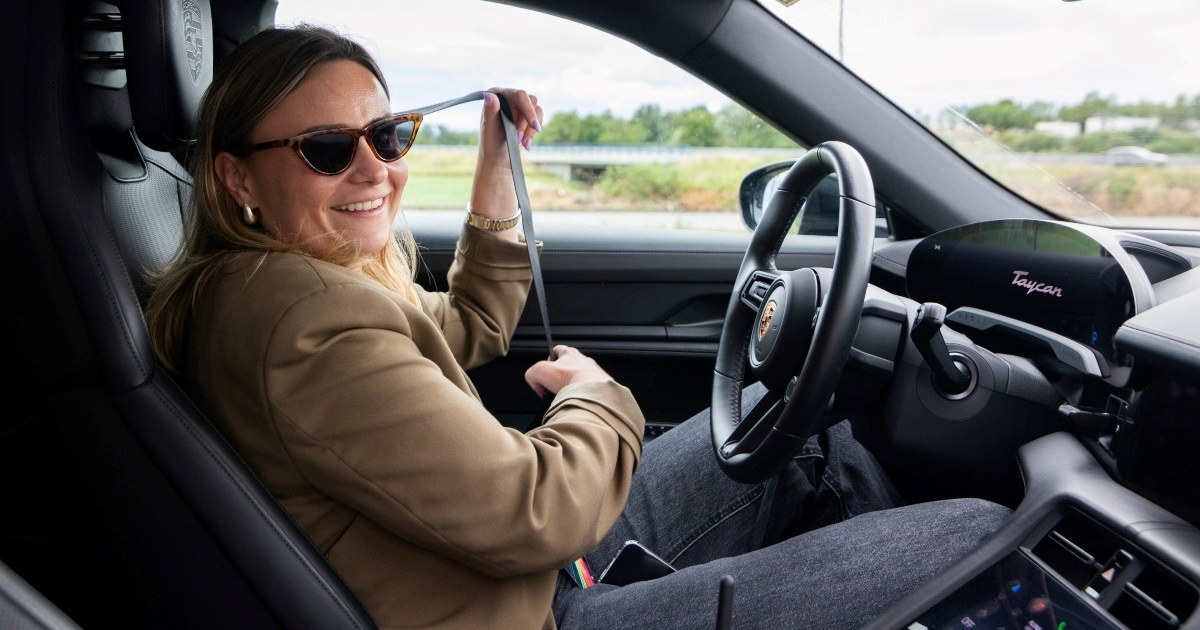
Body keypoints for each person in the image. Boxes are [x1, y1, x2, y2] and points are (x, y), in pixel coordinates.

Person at [145, 24, 1011, 630]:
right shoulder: (304, 316)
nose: (374, 169)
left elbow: (471, 323)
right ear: (237, 179)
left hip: (514, 576)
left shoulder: (283, 282)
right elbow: (533, 509)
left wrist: (496, 161)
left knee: (799, 433)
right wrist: (599, 399)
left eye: (389, 135)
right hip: (532, 609)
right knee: (972, 537)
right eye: (329, 149)